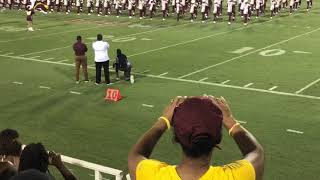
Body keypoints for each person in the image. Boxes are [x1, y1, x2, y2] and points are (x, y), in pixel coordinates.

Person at [128, 96, 264, 180]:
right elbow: (255, 152)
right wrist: (230, 121)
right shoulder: (238, 176)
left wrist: (164, 120)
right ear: (217, 139)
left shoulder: (150, 174)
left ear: (177, 138)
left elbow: (136, 154)